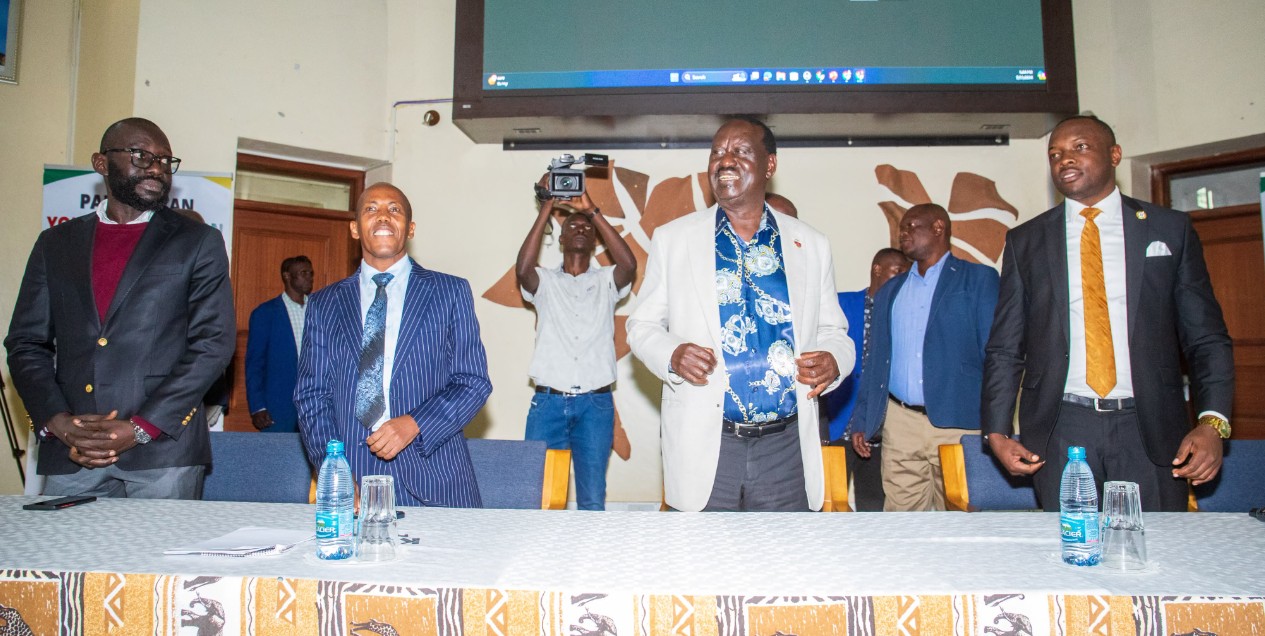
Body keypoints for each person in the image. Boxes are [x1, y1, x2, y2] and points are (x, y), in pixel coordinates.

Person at [981, 115, 1234, 512]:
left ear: (1114, 155)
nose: (1064, 159)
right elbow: (1005, 347)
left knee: (1155, 556)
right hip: (1061, 427)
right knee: (1071, 556)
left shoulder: (1168, 230)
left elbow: (1207, 338)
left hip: (1149, 424)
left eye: (1079, 147)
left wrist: (1212, 422)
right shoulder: (1026, 240)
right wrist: (995, 430)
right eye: (1055, 153)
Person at [627, 117, 852, 512]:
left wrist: (834, 360)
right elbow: (641, 326)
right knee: (702, 570)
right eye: (717, 152)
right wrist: (672, 355)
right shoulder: (674, 239)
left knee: (784, 569)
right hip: (707, 444)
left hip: (785, 450)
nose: (725, 160)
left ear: (770, 165)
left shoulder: (811, 244)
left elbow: (835, 331)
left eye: (741, 152)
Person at [5, 117, 235, 499]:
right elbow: (26, 343)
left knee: (157, 561)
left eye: (165, 160)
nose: (157, 169)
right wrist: (59, 422)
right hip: (74, 451)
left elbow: (213, 344)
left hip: (164, 453)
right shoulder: (55, 243)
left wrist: (142, 426)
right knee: (69, 559)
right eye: (142, 156)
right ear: (101, 163)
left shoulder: (197, 242)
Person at [294, 182, 492, 507]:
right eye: (371, 209)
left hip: (437, 477)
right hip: (355, 479)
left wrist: (414, 423)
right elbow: (312, 396)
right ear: (355, 229)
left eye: (394, 209)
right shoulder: (323, 304)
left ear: (410, 228)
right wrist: (335, 471)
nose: (383, 216)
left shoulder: (449, 292)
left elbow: (472, 382)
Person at [849, 204, 999, 511]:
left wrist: (997, 423)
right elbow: (876, 361)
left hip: (958, 422)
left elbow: (997, 356)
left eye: (911, 227)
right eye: (901, 228)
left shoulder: (978, 279)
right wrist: (864, 419)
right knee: (902, 523)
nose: (902, 233)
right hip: (900, 422)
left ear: (939, 228)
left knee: (961, 519)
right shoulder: (891, 290)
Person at [515, 179, 636, 510]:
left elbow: (629, 266)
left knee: (592, 499)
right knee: (539, 497)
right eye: (573, 226)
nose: (580, 229)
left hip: (595, 407)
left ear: (595, 240)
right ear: (562, 239)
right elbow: (523, 269)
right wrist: (547, 209)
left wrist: (591, 210)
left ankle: (590, 562)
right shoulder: (545, 282)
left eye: (586, 227)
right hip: (548, 404)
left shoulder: (607, 281)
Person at [819, 247, 909, 511]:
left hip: (876, 428)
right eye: (898, 271)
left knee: (874, 504)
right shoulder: (841, 304)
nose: (903, 278)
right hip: (836, 422)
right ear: (877, 269)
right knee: (829, 505)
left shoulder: (901, 313)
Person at [245, 255, 315, 433]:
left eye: (311, 273)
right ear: (287, 276)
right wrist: (258, 407)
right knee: (278, 458)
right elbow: (255, 364)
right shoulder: (265, 313)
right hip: (278, 407)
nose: (309, 277)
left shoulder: (319, 310)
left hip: (314, 405)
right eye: (303, 273)